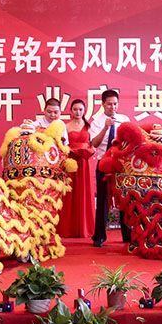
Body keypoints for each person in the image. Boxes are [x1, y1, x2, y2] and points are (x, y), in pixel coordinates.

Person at [89, 89, 130, 247]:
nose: (112, 107)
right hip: (103, 163)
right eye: (109, 104)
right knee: (103, 199)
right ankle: (99, 236)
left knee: (124, 198)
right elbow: (94, 144)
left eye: (115, 104)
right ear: (103, 104)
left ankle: (127, 235)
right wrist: (105, 128)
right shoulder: (97, 122)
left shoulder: (124, 120)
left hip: (121, 164)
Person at [56, 99, 95, 238]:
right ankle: (68, 229)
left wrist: (90, 150)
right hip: (71, 162)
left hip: (84, 162)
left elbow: (93, 144)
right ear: (71, 111)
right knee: (70, 194)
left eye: (80, 109)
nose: (78, 112)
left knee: (84, 192)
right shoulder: (65, 126)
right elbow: (63, 145)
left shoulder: (89, 126)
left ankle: (84, 228)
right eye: (75, 109)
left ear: (84, 111)